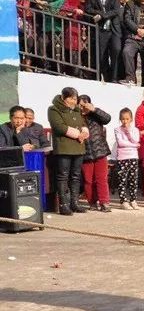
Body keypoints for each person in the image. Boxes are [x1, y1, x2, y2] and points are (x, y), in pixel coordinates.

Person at [48, 87, 88, 215]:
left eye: (75, 98)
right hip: (64, 148)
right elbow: (59, 126)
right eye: (71, 98)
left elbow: (83, 124)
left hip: (78, 147)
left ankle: (74, 203)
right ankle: (63, 204)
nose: (73, 101)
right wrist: (78, 134)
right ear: (63, 98)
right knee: (63, 176)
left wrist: (84, 132)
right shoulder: (54, 109)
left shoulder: (76, 110)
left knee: (76, 176)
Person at [77, 95, 112, 212]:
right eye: (80, 105)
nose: (83, 107)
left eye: (84, 104)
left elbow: (107, 118)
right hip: (85, 154)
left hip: (100, 151)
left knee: (102, 179)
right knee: (88, 180)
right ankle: (92, 202)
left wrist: (94, 110)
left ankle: (104, 203)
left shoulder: (95, 115)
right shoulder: (76, 117)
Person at [84, 0, 122, 82]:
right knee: (102, 56)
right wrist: (101, 12)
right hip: (101, 30)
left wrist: (102, 15)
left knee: (116, 51)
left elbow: (116, 11)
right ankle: (106, 78)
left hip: (113, 29)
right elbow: (88, 9)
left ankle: (114, 78)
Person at [114, 108, 140, 210]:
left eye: (127, 119)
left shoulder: (135, 130)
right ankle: (123, 201)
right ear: (120, 119)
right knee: (122, 180)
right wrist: (134, 146)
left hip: (133, 157)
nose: (125, 121)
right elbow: (121, 143)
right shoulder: (117, 129)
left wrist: (128, 132)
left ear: (131, 119)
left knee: (133, 180)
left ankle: (133, 200)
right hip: (122, 158)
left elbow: (136, 140)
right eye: (123, 119)